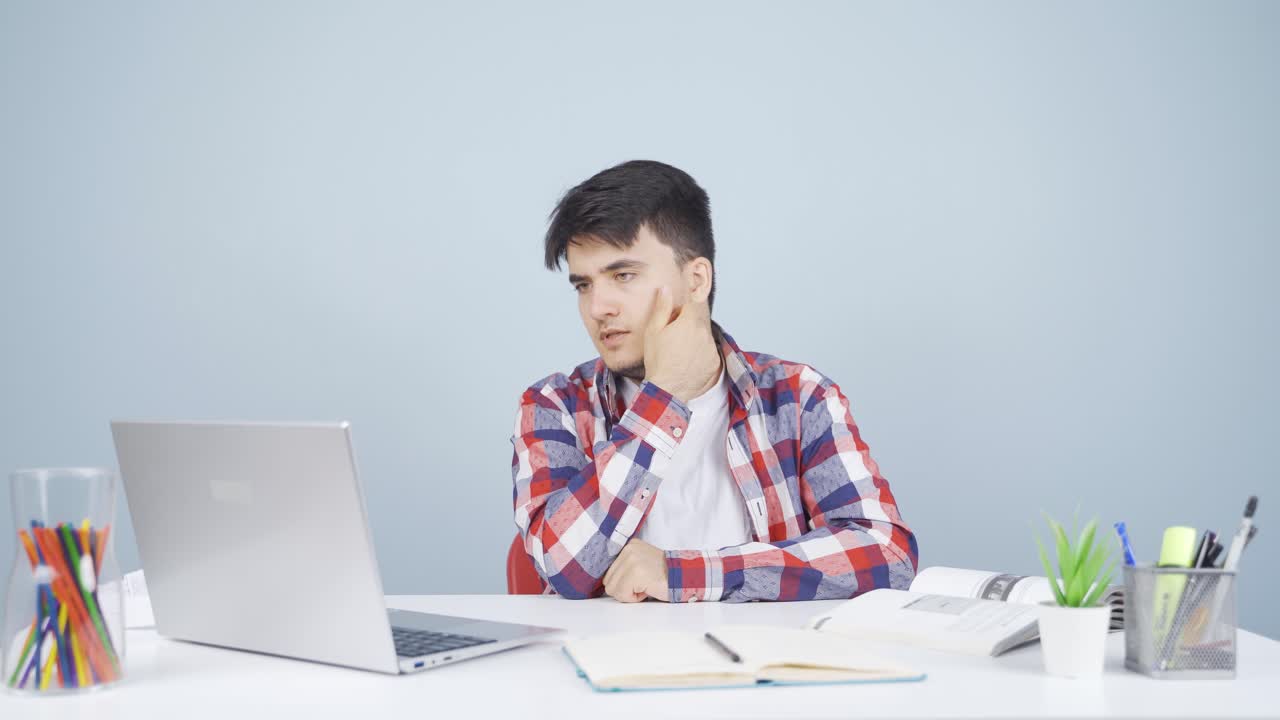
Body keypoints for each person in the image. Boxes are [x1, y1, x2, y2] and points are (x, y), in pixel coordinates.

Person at [510, 160, 917, 603]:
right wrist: (662, 398)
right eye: (583, 286)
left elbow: (886, 555)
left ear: (697, 279)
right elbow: (560, 566)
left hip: (763, 660)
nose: (598, 307)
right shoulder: (556, 405)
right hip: (609, 662)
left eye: (623, 276)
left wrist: (686, 574)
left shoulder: (799, 398)